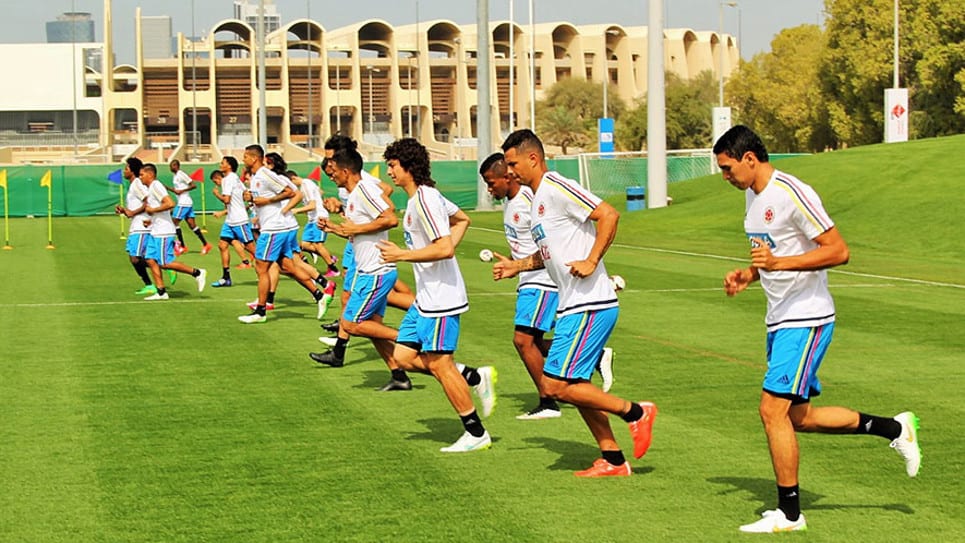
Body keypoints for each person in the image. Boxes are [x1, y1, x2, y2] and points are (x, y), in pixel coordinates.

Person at [713, 125, 922, 533]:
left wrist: (777, 265)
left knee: (771, 411)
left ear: (750, 158)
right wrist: (750, 275)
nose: (725, 177)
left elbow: (838, 251)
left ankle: (790, 514)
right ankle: (896, 428)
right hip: (779, 319)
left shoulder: (792, 192)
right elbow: (775, 255)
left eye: (727, 168)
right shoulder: (753, 199)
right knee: (800, 418)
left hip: (807, 318)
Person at [496, 129, 657, 475]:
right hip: (573, 304)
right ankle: (613, 459)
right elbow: (549, 255)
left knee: (554, 385)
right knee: (576, 385)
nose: (509, 171)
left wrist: (592, 260)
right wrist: (517, 266)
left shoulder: (555, 187)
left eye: (512, 163)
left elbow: (609, 215)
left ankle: (636, 412)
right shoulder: (536, 201)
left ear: (533, 158)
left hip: (589, 303)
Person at [377, 137, 495, 452]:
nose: (389, 171)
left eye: (392, 165)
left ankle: (476, 432)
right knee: (402, 356)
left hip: (442, 299)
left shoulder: (425, 200)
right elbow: (462, 220)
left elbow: (442, 248)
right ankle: (473, 376)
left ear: (408, 167)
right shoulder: (424, 198)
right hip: (426, 298)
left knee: (441, 364)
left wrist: (402, 255)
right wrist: (446, 246)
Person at [310, 147, 414, 391]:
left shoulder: (365, 190)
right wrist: (336, 228)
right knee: (372, 329)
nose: (330, 175)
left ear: (346, 170)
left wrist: (353, 230)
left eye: (333, 171)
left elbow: (390, 219)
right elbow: (361, 227)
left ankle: (411, 340)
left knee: (352, 324)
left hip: (376, 272)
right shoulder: (355, 194)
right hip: (371, 271)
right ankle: (399, 375)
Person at [237, 145, 334, 323]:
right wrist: (252, 199)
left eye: (245, 157)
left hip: (275, 229)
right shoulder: (258, 178)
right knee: (288, 267)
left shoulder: (266, 174)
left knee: (261, 266)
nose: (243, 160)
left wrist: (267, 201)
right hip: (276, 226)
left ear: (254, 158)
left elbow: (290, 192)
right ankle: (320, 295)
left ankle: (261, 311)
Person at [140, 163, 207, 300]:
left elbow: (170, 204)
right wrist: (151, 220)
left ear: (150, 175)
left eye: (142, 175)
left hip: (164, 232)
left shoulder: (156, 186)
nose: (140, 178)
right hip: (155, 230)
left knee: (164, 263)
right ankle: (161, 292)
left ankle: (197, 273)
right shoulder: (151, 188)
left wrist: (152, 211)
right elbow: (165, 209)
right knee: (150, 259)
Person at [210, 157, 255, 287]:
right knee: (222, 245)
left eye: (222, 163)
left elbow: (227, 200)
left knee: (252, 249)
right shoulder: (234, 178)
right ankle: (226, 278)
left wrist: (217, 194)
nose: (220, 164)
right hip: (230, 220)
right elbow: (245, 193)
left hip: (238, 220)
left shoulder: (228, 179)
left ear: (229, 166)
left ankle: (268, 271)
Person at [115, 157, 155, 295]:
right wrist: (125, 210)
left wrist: (133, 212)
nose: (124, 171)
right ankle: (152, 280)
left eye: (126, 168)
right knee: (136, 258)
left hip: (142, 226)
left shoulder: (137, 183)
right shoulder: (134, 184)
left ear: (132, 171)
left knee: (135, 258)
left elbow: (148, 201)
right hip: (136, 225)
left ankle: (165, 269)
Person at [167, 159, 212, 255]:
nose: (171, 167)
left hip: (184, 203)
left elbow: (193, 185)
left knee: (174, 222)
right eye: (170, 165)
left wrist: (182, 190)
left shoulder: (181, 174)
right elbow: (177, 190)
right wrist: (168, 188)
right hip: (186, 202)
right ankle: (206, 244)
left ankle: (182, 246)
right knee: (192, 225)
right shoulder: (175, 176)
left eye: (173, 165)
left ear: (178, 166)